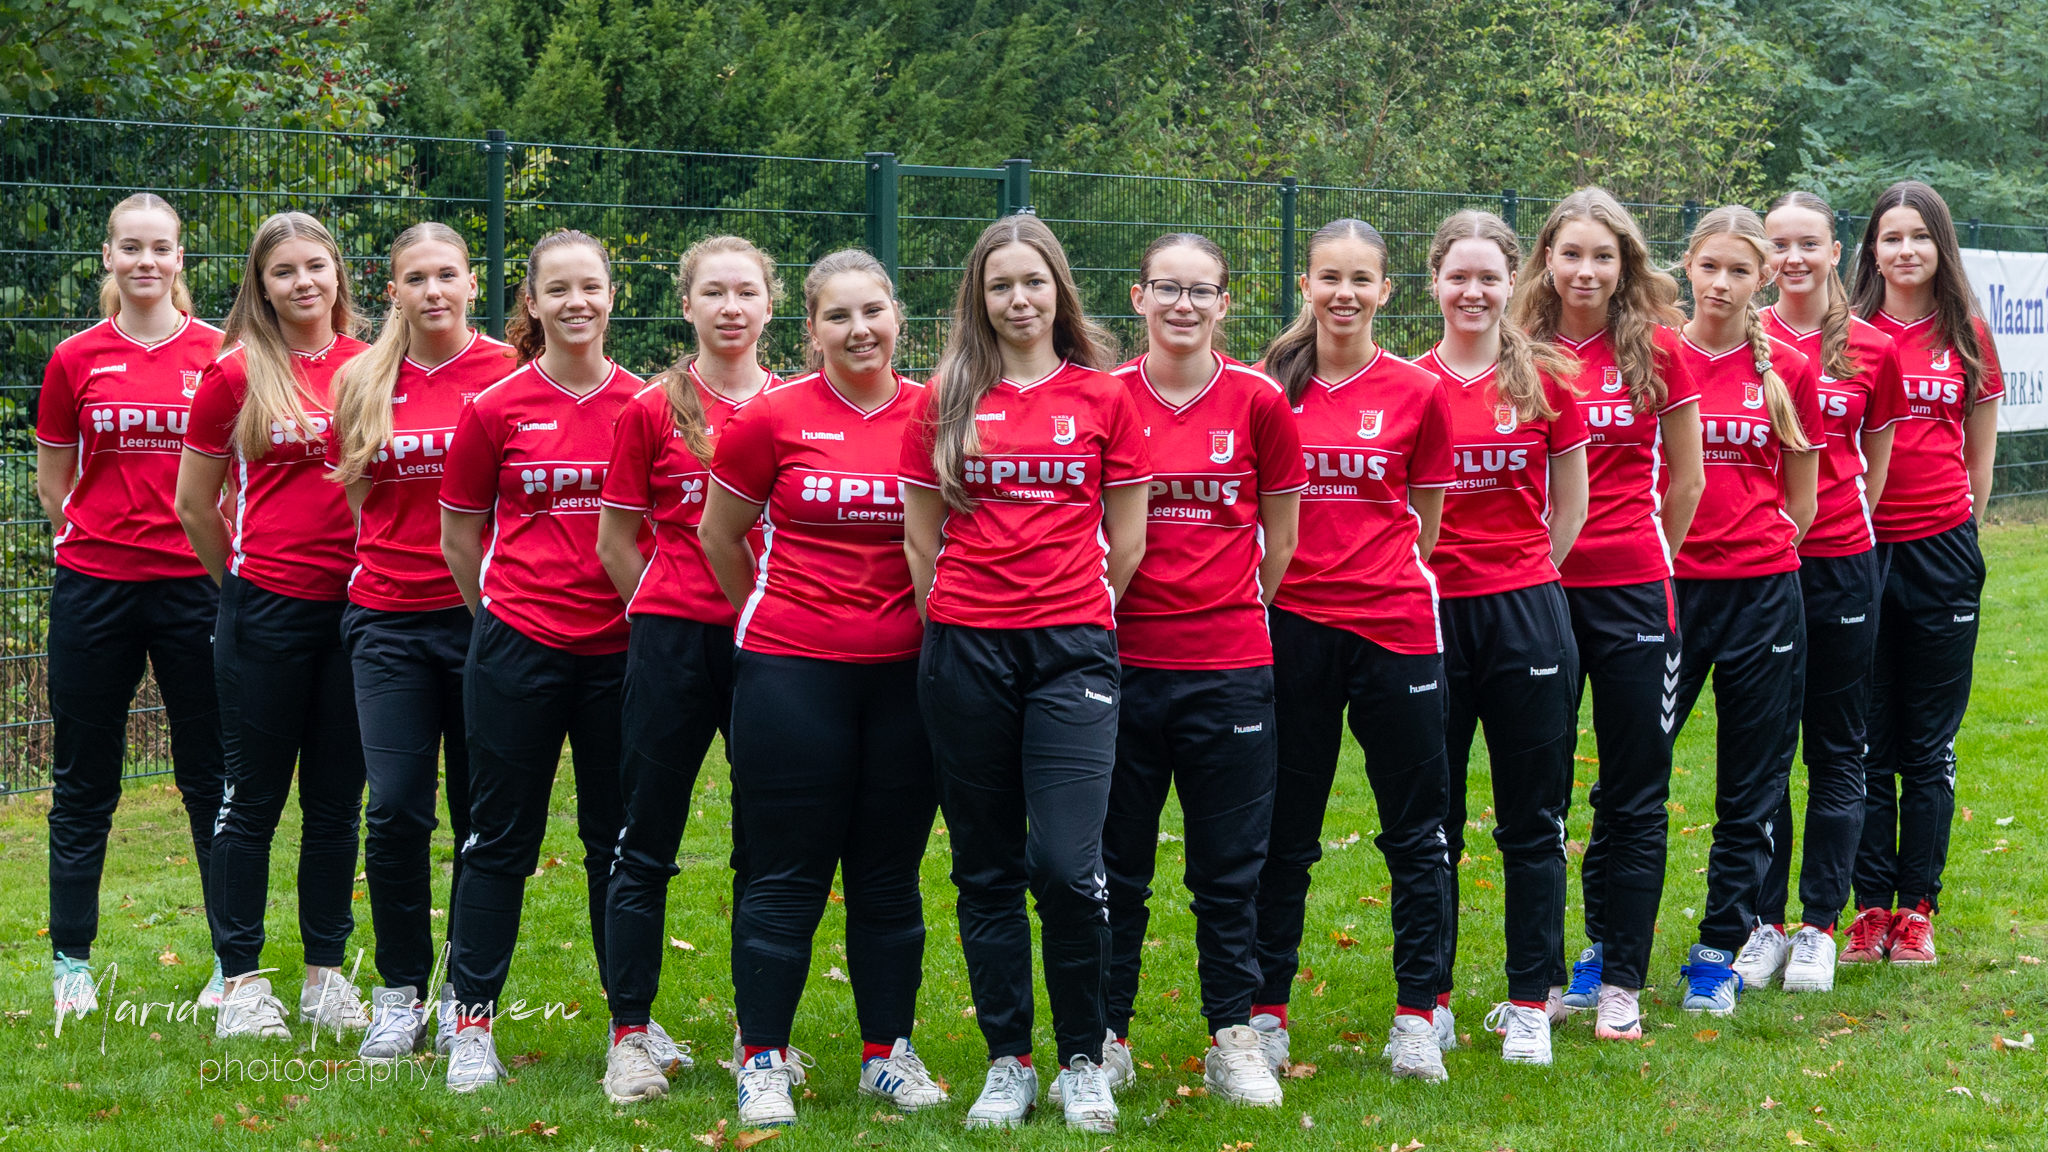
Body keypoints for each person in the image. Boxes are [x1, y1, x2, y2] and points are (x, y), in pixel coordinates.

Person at [899, 214, 1150, 1134]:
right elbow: (920, 537)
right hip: (966, 649)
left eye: (1033, 282)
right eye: (1000, 285)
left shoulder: (1104, 398)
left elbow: (1129, 538)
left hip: (1072, 650)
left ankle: (1083, 1058)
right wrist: (959, 618)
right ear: (979, 297)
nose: (1018, 299)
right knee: (987, 866)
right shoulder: (944, 399)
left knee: (1068, 867)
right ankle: (1009, 1061)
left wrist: (1070, 606)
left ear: (1059, 291)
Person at [700, 249, 948, 1126]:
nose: (859, 329)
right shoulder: (771, 418)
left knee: (888, 874)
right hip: (791, 673)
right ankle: (763, 1057)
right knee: (785, 873)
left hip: (908, 677)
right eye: (838, 316)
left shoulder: (938, 412)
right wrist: (779, 617)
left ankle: (888, 1054)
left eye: (873, 311)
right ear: (810, 329)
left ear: (898, 318)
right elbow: (719, 536)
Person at [1251, 218, 1460, 1082]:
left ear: (1386, 291)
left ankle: (1418, 1015)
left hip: (1395, 631)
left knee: (1417, 833)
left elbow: (1426, 524)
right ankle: (1266, 1013)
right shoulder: (1267, 387)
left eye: (1361, 279)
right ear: (1306, 285)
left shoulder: (1419, 391)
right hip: (1292, 628)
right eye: (1329, 278)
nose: (1344, 293)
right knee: (1283, 833)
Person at [1100, 233, 1303, 1105]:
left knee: (1229, 872)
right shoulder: (1103, 397)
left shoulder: (1259, 401)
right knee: (1116, 868)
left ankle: (1233, 1036)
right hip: (1118, 665)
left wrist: (1223, 612)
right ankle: (1105, 1036)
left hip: (1229, 667)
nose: (1182, 305)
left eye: (1200, 291)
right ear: (1138, 297)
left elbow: (1280, 541)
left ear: (1225, 303)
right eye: (1167, 288)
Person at [436, 229, 638, 1091]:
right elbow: (458, 536)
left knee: (617, 842)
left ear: (612, 296)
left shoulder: (647, 405)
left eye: (589, 286)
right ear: (532, 302)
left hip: (622, 653)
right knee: (497, 839)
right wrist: (502, 620)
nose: (575, 303)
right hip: (518, 648)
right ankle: (471, 1023)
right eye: (557, 290)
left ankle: (631, 1026)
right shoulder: (496, 407)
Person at [1508, 188, 1704, 1041]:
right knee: (1540, 794)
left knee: (1634, 793)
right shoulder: (1517, 348)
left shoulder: (1659, 350)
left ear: (1626, 264)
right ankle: (1546, 981)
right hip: (1538, 591)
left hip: (1634, 594)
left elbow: (1687, 481)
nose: (1585, 271)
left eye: (1603, 256)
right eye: (1571, 254)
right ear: (1546, 260)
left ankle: (1621, 977)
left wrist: (1646, 557)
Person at [596, 234, 783, 1103]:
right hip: (673, 641)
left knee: (765, 844)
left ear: (771, 306)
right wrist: (662, 608)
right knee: (645, 840)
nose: (730, 308)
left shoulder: (791, 406)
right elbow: (615, 542)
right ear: (687, 306)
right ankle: (630, 1035)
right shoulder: (650, 408)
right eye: (714, 293)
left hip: (770, 644)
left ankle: (759, 1036)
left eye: (746, 292)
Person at [175, 211, 371, 1039]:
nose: (302, 282)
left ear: (338, 275)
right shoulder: (234, 372)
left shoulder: (371, 367)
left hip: (359, 612)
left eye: (315, 266)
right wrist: (246, 586)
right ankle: (242, 982)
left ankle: (326, 976)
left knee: (336, 803)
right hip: (263, 612)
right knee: (251, 799)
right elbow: (194, 504)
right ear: (260, 285)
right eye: (283, 270)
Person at [326, 222, 516, 1061]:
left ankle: (466, 1002)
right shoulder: (362, 379)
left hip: (488, 620)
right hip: (388, 620)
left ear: (473, 283)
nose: (433, 291)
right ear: (392, 289)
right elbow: (360, 501)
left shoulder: (510, 373)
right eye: (415, 278)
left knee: (483, 817)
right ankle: (398, 993)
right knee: (395, 805)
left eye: (447, 275)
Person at [38, 194, 228, 1021]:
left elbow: (237, 477)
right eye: (130, 247)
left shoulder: (222, 354)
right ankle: (71, 964)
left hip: (196, 589)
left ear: (181, 258)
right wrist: (99, 539)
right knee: (85, 780)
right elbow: (54, 484)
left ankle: (231, 962)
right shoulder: (74, 358)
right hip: (96, 590)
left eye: (160, 247)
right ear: (108, 257)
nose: (145, 261)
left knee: (210, 776)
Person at [1413, 209, 1589, 1067]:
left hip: (1526, 614)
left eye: (1489, 277)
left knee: (1533, 821)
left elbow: (1572, 507)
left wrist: (1523, 576)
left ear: (1512, 281)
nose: (1474, 291)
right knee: (1431, 822)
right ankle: (1432, 1002)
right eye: (1459, 276)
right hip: (1430, 618)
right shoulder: (1408, 385)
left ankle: (1528, 1002)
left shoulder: (1547, 379)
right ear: (1434, 283)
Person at [1664, 205, 1824, 1017]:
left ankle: (1718, 951)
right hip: (1668, 593)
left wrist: (1750, 552)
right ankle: (1608, 950)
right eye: (1708, 267)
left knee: (1751, 785)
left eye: (1738, 270)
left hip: (1763, 597)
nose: (1721, 284)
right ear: (1686, 268)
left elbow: (1803, 502)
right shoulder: (1656, 357)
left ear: (1763, 276)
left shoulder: (1789, 368)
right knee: (1635, 777)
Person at [1750, 191, 1907, 993]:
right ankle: (1765, 923)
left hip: (1841, 560)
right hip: (1759, 567)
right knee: (1766, 749)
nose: (1794, 258)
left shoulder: (1874, 348)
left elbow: (1873, 467)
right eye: (1779, 244)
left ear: (1836, 250)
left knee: (1838, 745)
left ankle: (1818, 925)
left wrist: (1837, 525)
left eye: (1808, 243)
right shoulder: (1744, 339)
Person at [1844, 181, 2003, 967]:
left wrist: (1959, 536)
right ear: (1871, 250)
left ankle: (1917, 909)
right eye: (1891, 236)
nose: (1905, 250)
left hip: (1942, 555)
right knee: (1866, 740)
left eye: (1919, 236)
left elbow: (1980, 459)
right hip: (1860, 553)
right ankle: (1870, 908)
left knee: (1928, 746)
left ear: (1941, 246)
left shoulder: (1968, 335)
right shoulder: (1845, 335)